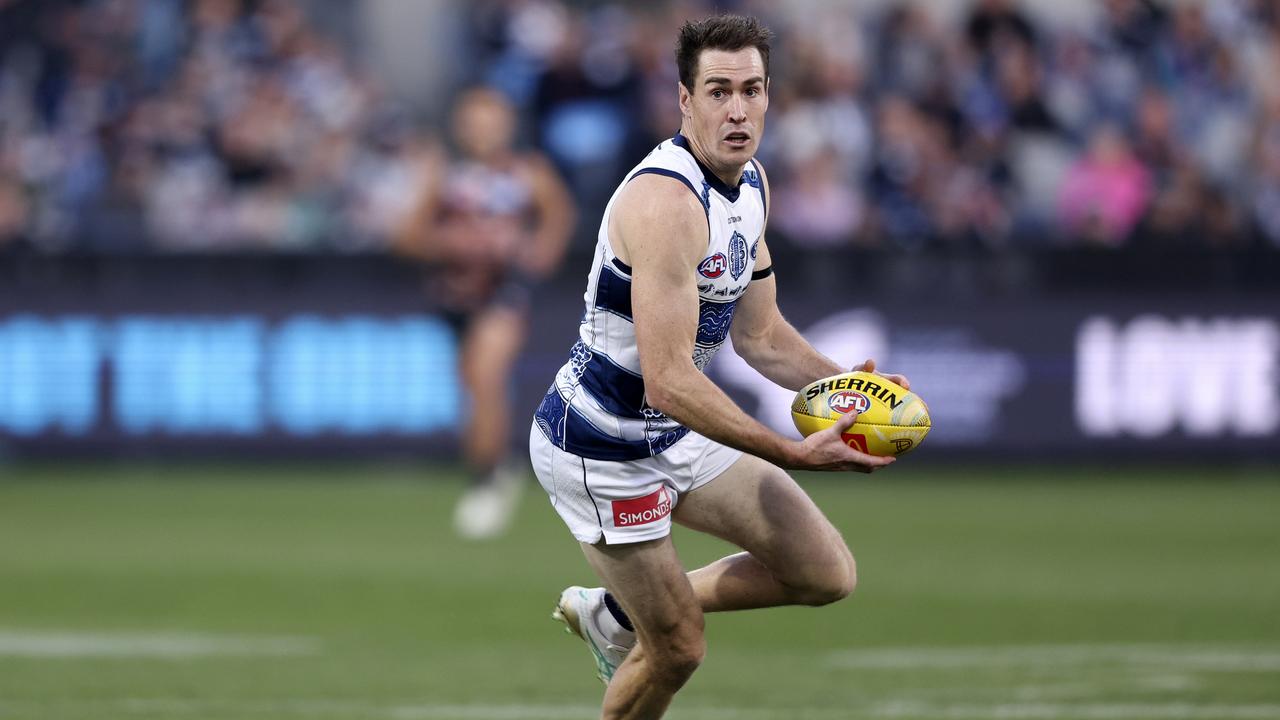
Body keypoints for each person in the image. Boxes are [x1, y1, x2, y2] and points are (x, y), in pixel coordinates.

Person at [528, 15, 908, 719]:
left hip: (672, 431)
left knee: (825, 572)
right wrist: (791, 452)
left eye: (752, 90)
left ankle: (613, 613)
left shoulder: (752, 183)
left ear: (769, 98)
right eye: (718, 91)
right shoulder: (667, 203)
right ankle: (635, 617)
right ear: (685, 101)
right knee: (677, 648)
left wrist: (858, 388)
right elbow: (670, 379)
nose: (737, 109)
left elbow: (762, 338)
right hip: (601, 446)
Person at [397, 87, 575, 540]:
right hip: (454, 295)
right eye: (474, 122)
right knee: (472, 387)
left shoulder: (526, 172)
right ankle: (498, 463)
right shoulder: (445, 173)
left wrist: (539, 253)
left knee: (485, 375)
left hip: (504, 290)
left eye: (490, 121)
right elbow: (406, 235)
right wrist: (450, 244)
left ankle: (485, 480)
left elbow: (559, 215)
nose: (482, 132)